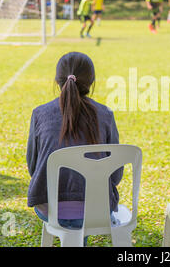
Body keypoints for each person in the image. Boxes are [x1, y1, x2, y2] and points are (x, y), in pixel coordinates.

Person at [26, 52, 123, 247]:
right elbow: (116, 175)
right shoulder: (105, 115)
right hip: (98, 210)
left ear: (57, 81)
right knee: (86, 209)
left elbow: (33, 166)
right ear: (91, 82)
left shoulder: (40, 114)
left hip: (50, 208)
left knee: (76, 214)